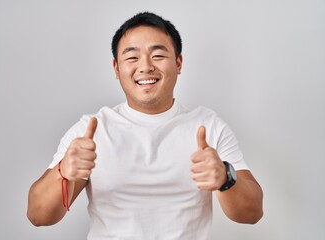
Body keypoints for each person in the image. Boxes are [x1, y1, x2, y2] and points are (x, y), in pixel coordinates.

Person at [27, 12, 263, 239]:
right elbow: (38, 216)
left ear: (178, 63)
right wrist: (64, 171)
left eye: (158, 55)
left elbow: (252, 214)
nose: (146, 66)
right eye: (132, 57)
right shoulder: (91, 130)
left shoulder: (209, 126)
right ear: (117, 69)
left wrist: (225, 177)